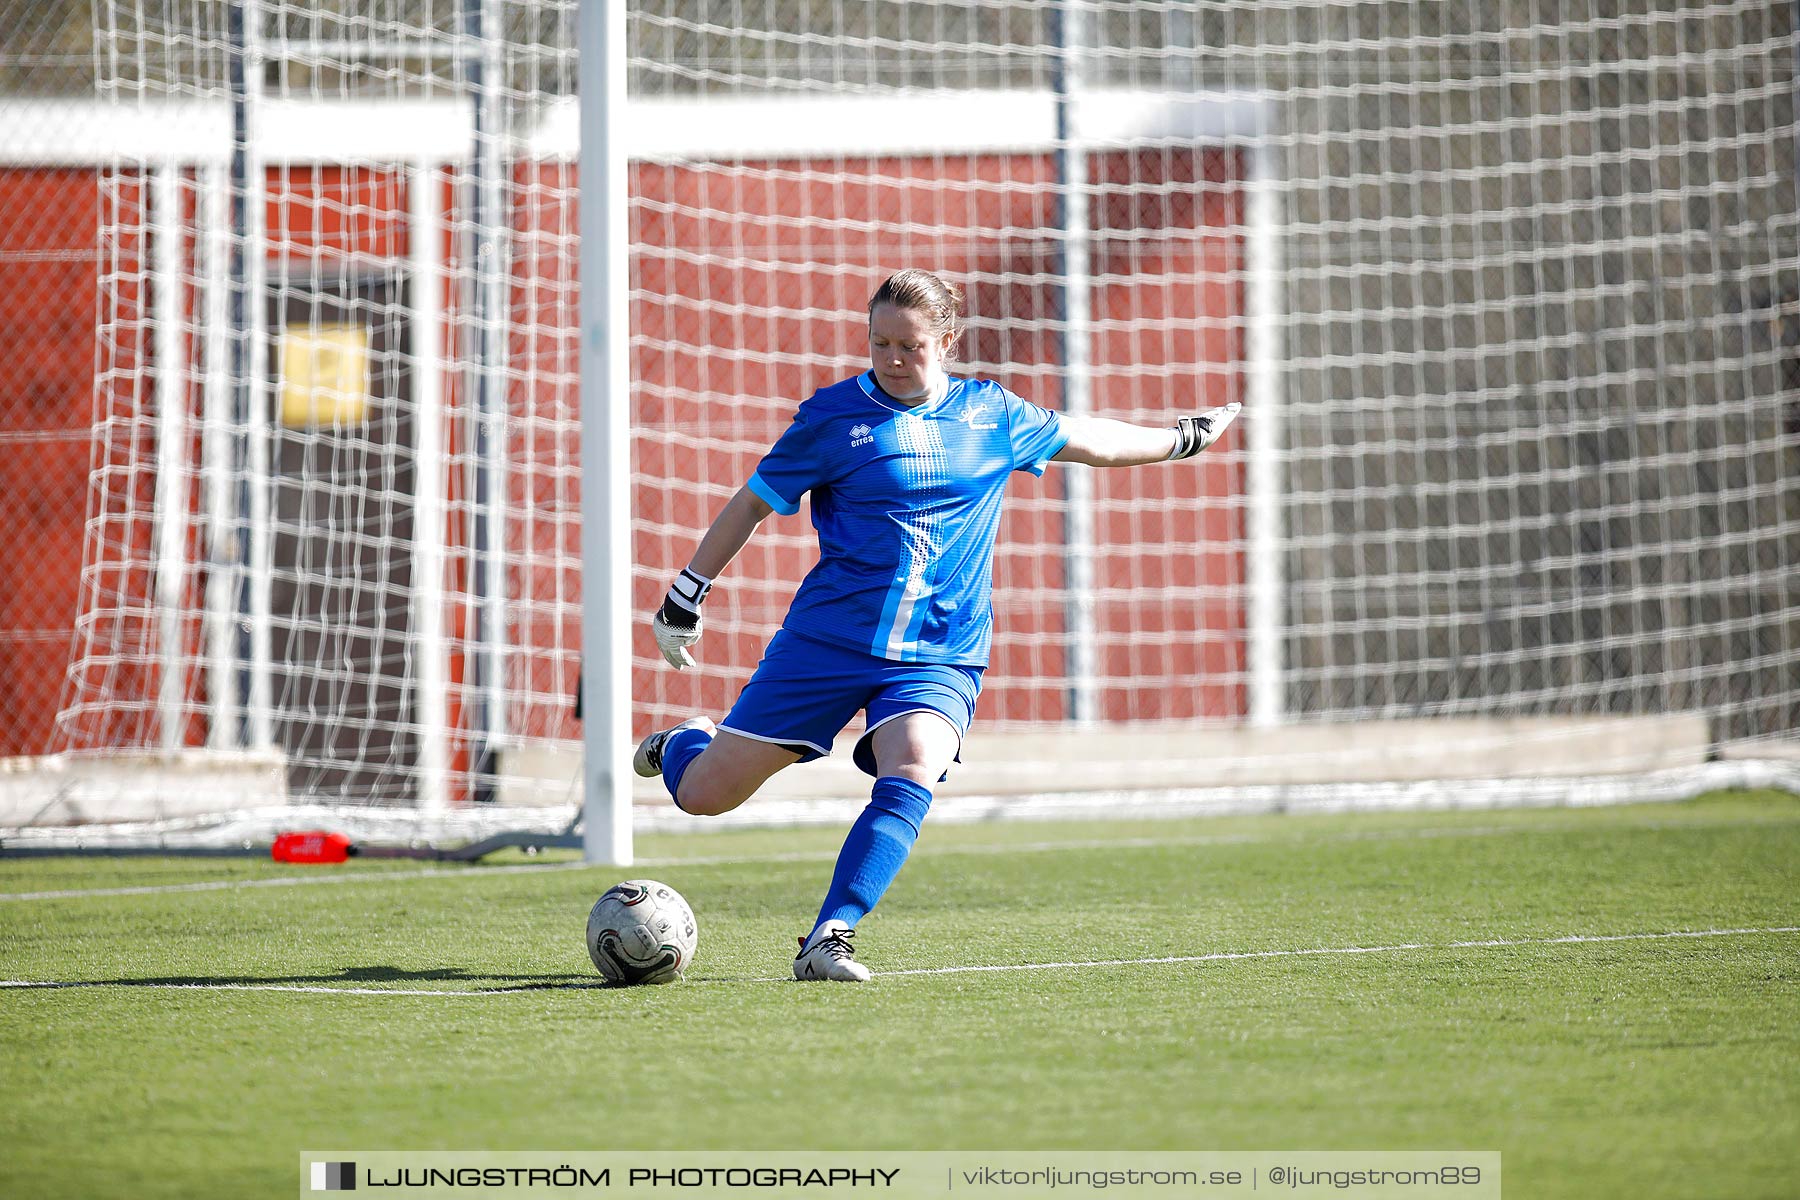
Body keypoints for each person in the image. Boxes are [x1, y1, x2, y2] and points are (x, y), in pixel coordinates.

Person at [635, 268, 1239, 982]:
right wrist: (687, 591)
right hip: (828, 641)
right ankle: (684, 744)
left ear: (947, 341)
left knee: (915, 760)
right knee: (707, 795)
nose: (892, 358)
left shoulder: (993, 415)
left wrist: (1181, 439)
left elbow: (1093, 441)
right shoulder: (831, 418)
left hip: (940, 651)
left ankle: (831, 933)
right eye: (879, 342)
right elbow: (751, 504)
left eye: (910, 345)